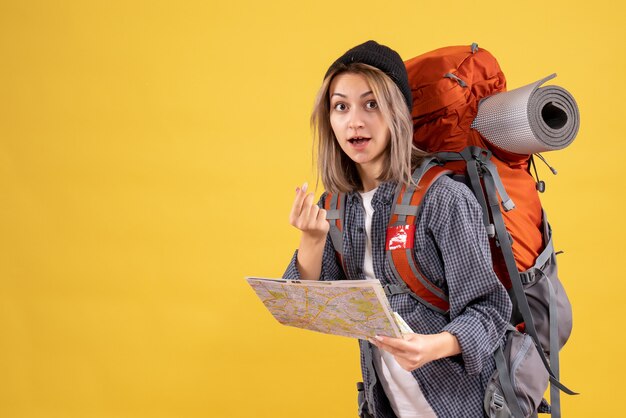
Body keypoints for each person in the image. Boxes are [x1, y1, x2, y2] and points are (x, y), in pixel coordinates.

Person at [282, 40, 512, 418]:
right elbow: (310, 307)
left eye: (371, 104)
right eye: (341, 106)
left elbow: (490, 311)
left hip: (465, 406)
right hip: (387, 405)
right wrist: (312, 238)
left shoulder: (444, 200)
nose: (354, 120)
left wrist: (433, 346)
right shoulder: (336, 205)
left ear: (397, 114)